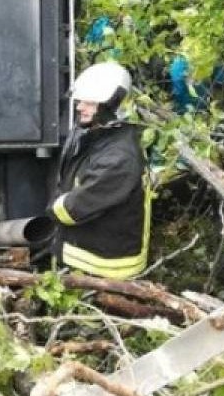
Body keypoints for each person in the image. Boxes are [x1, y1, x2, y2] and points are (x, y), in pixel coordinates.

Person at [47, 61, 149, 280]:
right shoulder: (99, 136)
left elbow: (73, 209)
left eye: (90, 103)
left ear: (112, 106)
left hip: (105, 267)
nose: (79, 107)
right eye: (81, 100)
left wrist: (53, 208)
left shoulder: (119, 157)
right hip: (86, 255)